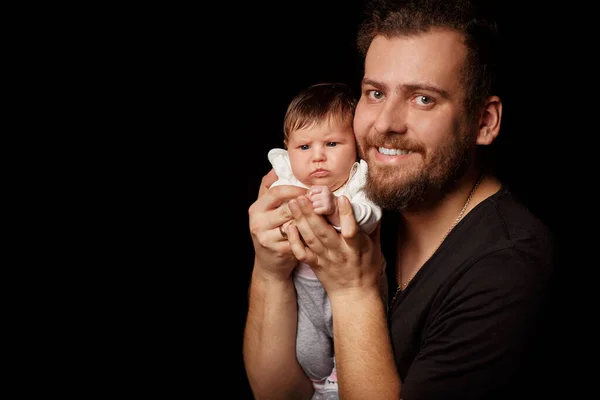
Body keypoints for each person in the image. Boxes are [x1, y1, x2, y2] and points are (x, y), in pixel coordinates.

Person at [243, 0, 556, 399]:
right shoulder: (370, 198)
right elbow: (279, 393)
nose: (385, 123)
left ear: (484, 122)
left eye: (423, 98)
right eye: (374, 93)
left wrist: (352, 292)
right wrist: (270, 270)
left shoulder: (508, 264)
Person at [267, 82, 385, 399]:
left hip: (351, 286)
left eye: (332, 144)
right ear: (288, 149)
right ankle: (323, 385)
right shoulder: (285, 179)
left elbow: (371, 216)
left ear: (356, 146)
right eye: (304, 147)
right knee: (308, 348)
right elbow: (271, 222)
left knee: (353, 338)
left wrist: (337, 210)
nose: (317, 157)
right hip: (303, 284)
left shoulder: (357, 181)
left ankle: (342, 382)